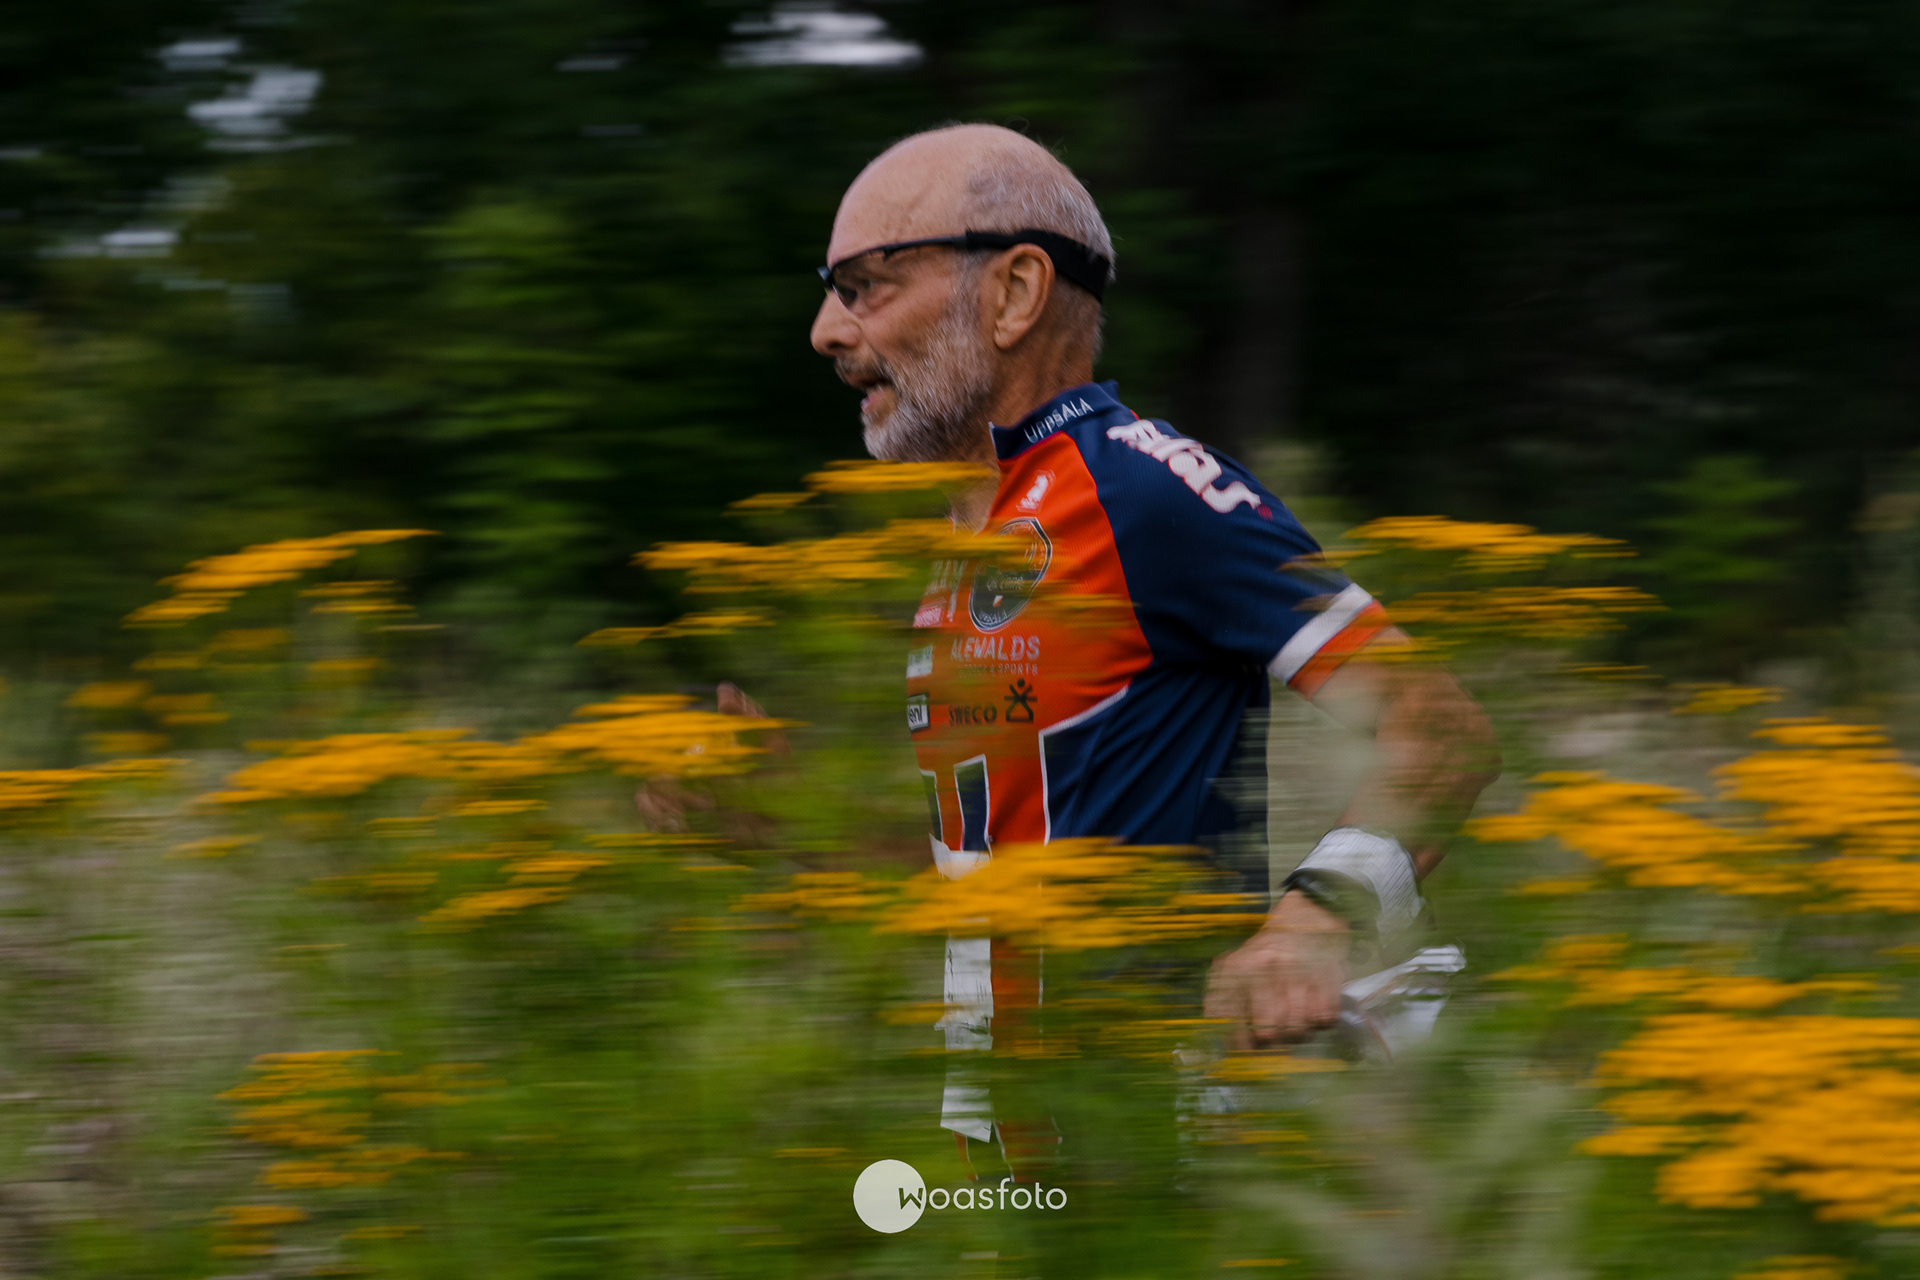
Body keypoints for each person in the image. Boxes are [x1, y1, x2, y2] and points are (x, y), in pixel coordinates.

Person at [808, 124, 1500, 1153]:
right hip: (1009, 1166)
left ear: (1014, 291)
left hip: (1148, 1153)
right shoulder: (967, 548)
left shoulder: (1141, 488)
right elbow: (996, 881)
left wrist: (1312, 920)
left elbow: (1440, 734)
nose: (826, 330)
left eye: (866, 285)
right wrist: (794, 832)